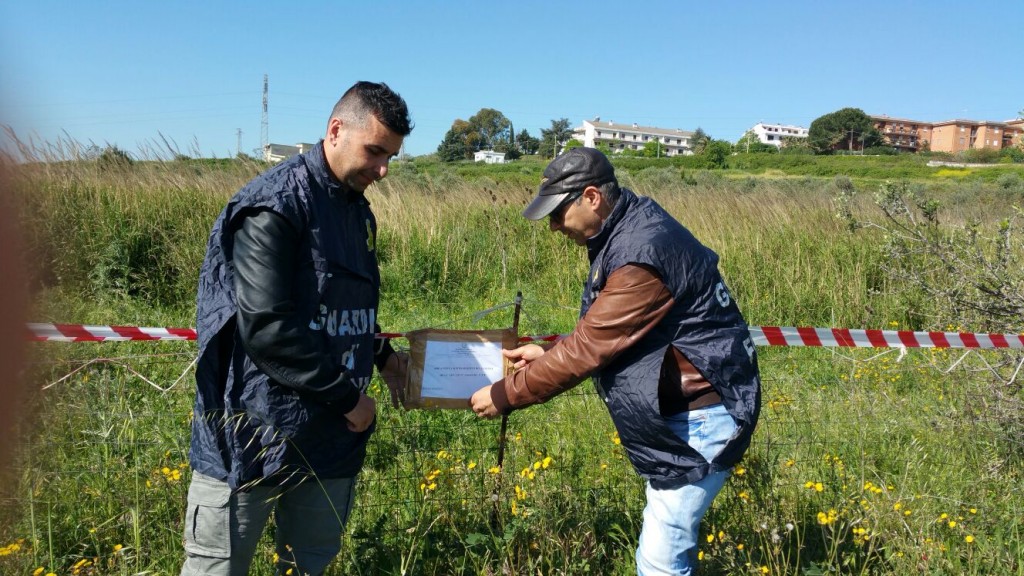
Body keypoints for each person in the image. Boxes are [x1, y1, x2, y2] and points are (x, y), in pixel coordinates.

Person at [469, 147, 761, 576]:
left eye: (557, 213)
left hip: (699, 417)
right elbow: (619, 335)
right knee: (670, 548)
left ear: (591, 197)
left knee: (660, 562)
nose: (552, 227)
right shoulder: (630, 230)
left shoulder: (641, 251)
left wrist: (504, 394)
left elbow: (590, 348)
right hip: (684, 410)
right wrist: (551, 353)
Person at [182, 81, 412, 576]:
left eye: (390, 156)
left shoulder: (354, 210)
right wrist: (350, 400)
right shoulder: (274, 207)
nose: (383, 170)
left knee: (307, 566)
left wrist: (384, 357)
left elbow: (339, 310)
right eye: (375, 152)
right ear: (335, 131)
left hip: (328, 443)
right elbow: (267, 327)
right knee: (217, 569)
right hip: (253, 436)